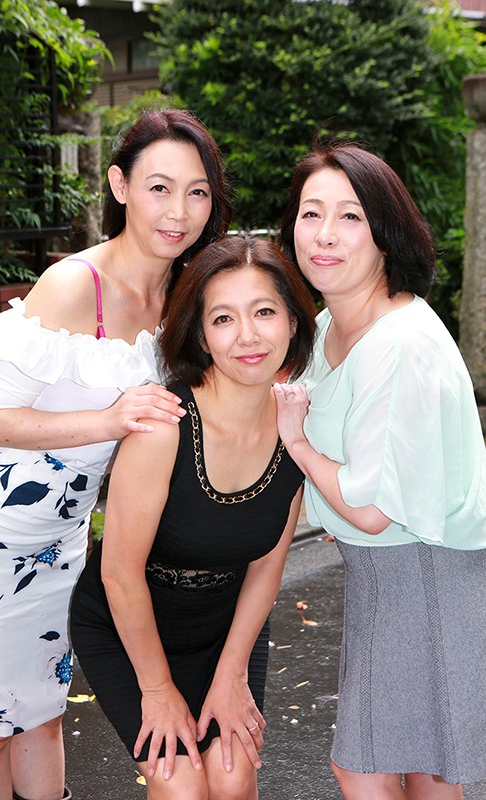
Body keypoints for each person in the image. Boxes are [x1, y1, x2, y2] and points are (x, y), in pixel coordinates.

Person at [0, 108, 234, 800]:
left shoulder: (183, 292)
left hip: (65, 537)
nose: (178, 211)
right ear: (119, 185)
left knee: (43, 711)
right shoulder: (75, 284)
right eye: (159, 188)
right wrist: (107, 419)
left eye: (197, 192)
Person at [70, 235, 316, 800]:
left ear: (293, 323)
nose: (248, 336)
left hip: (224, 630)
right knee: (180, 783)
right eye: (223, 318)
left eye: (264, 312)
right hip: (128, 627)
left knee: (232, 777)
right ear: (202, 336)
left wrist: (232, 674)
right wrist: (157, 691)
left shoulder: (297, 424)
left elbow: (267, 566)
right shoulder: (165, 427)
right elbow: (118, 575)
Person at [275, 141, 486, 800]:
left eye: (350, 216)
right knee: (423, 766)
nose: (324, 234)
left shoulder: (397, 344)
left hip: (425, 572)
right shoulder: (332, 325)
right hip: (392, 576)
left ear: (385, 235)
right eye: (311, 214)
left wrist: (297, 443)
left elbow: (370, 509)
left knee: (364, 766)